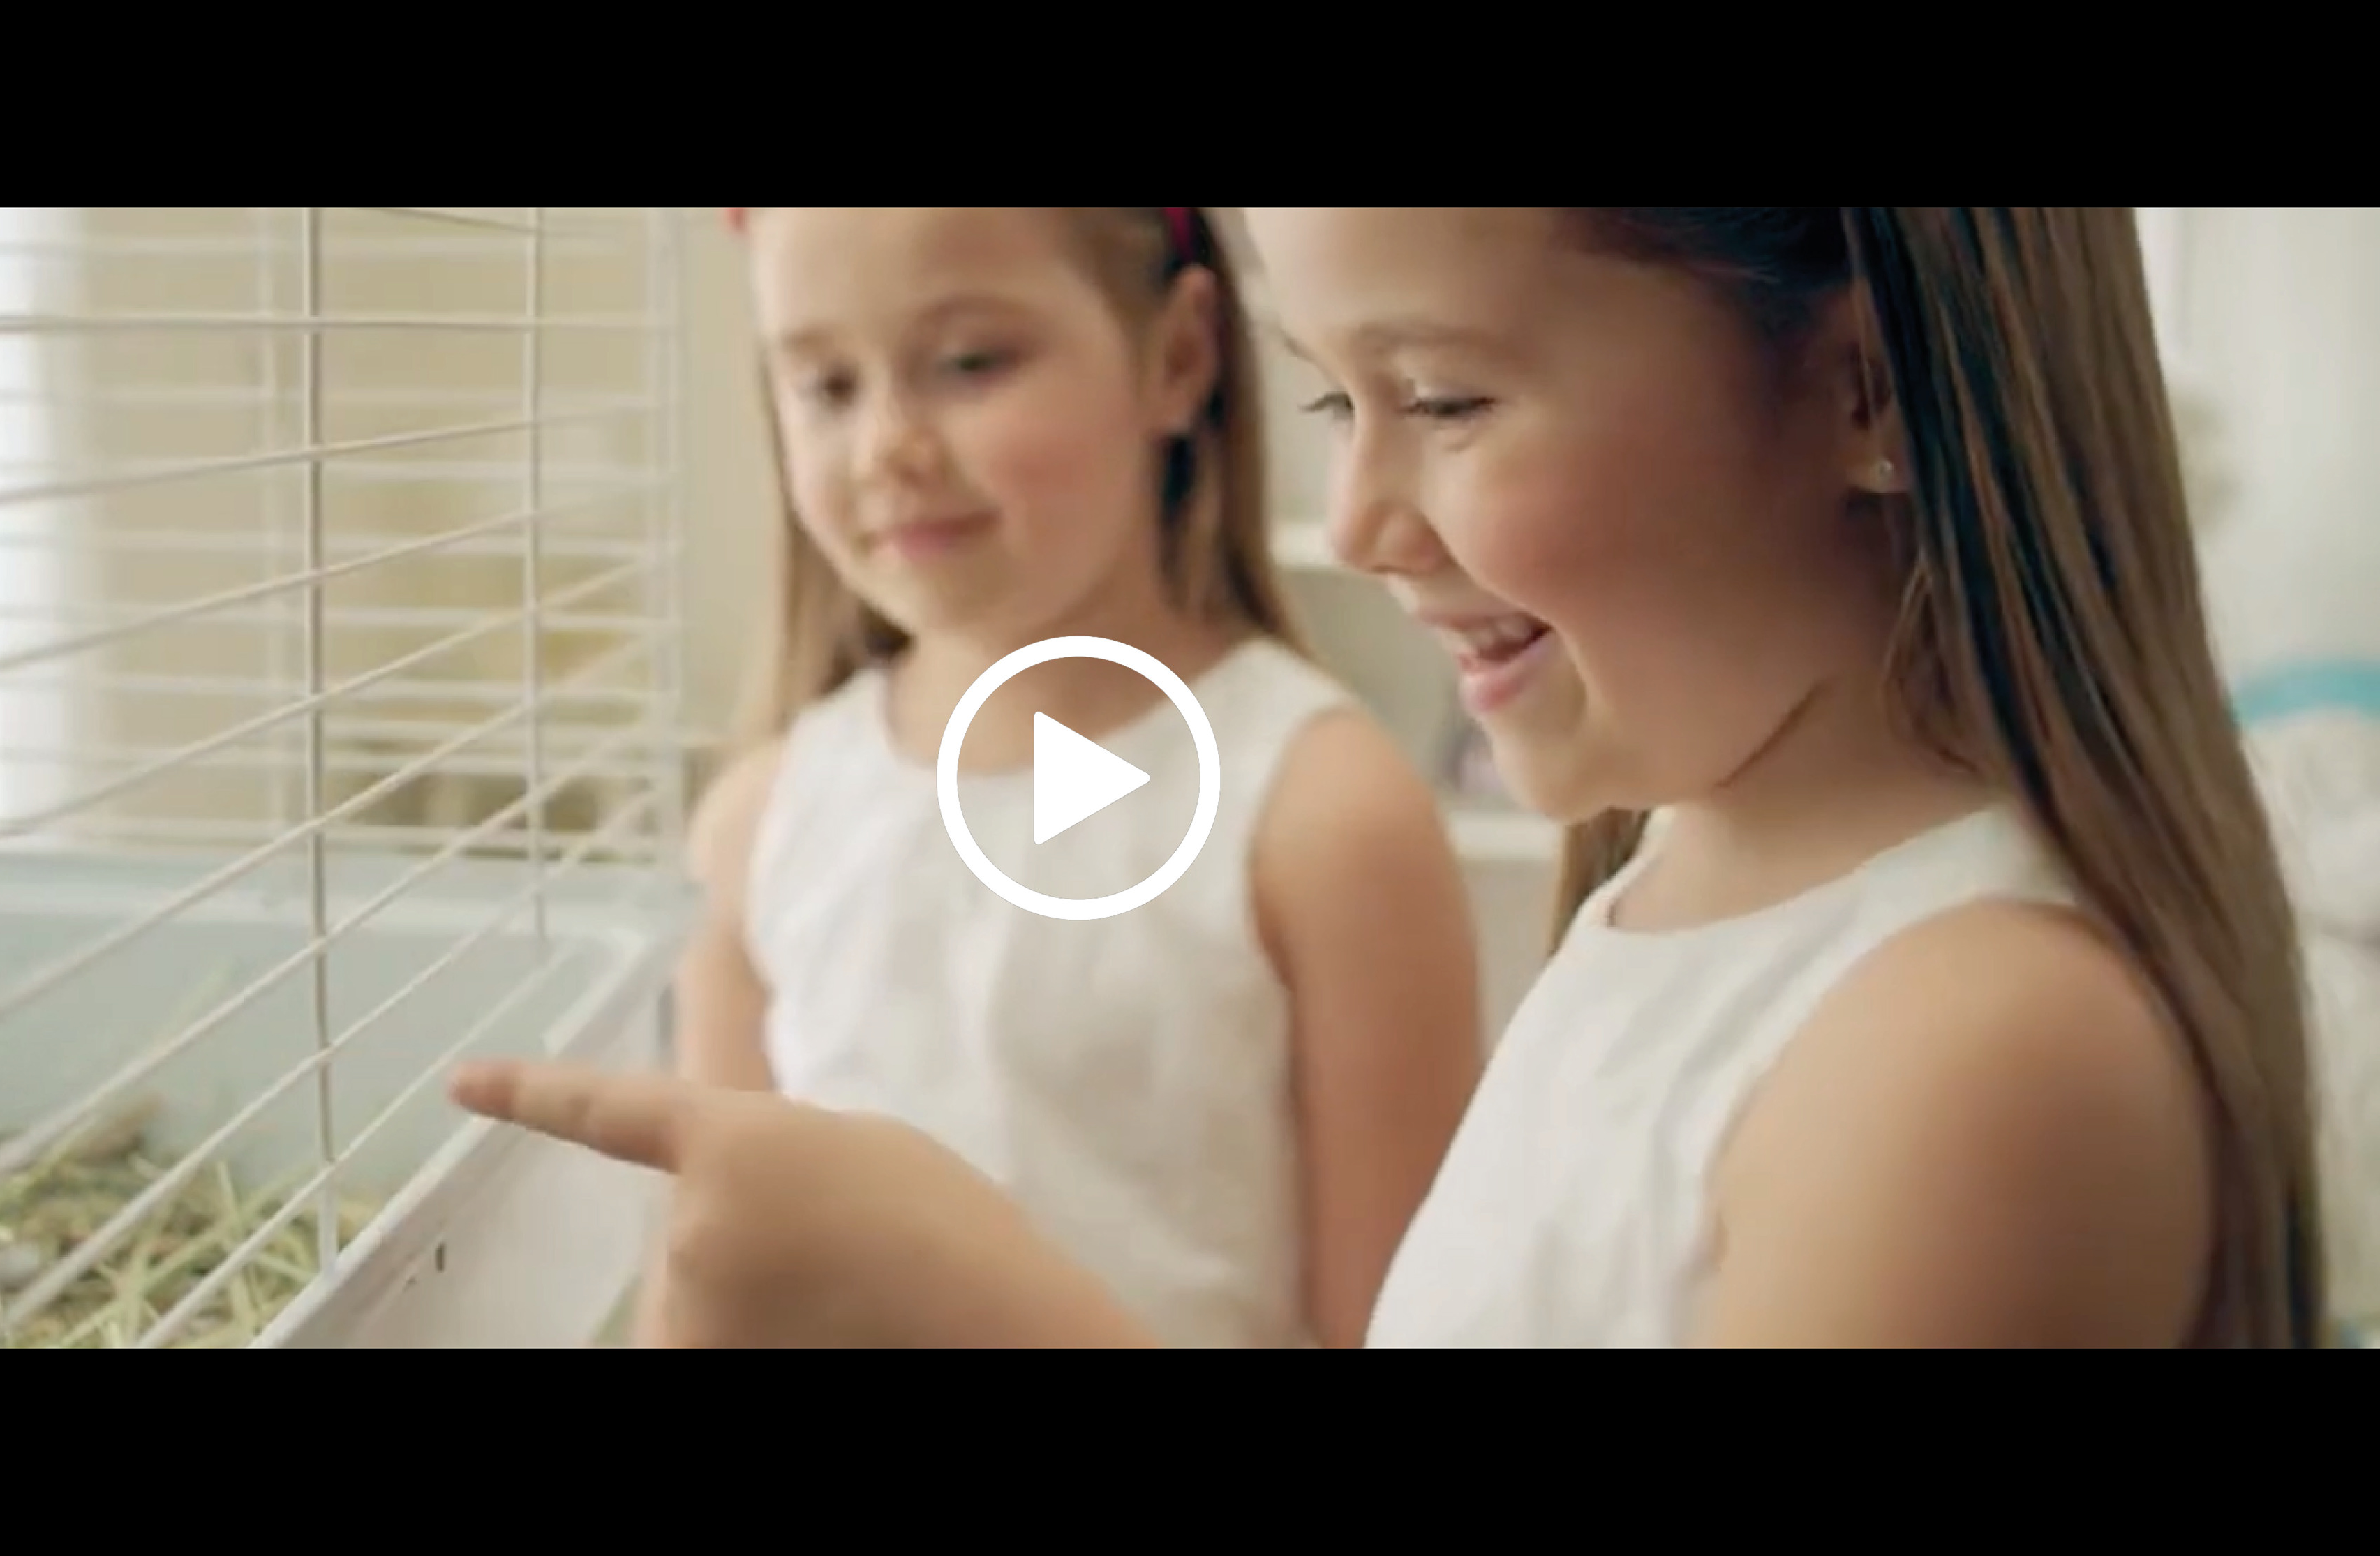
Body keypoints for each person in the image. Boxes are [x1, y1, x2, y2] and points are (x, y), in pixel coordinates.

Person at [464, 207, 2329, 1349]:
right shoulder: (1671, 883)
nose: (1356, 520)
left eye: (1440, 396)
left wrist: (990, 1303)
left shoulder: (1981, 1054)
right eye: (1333, 399)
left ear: (1865, 389)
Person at [611, 207, 1482, 1349]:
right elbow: (703, 1286)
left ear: (1178, 358)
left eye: (972, 362)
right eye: (828, 386)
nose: (887, 449)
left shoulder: (1325, 815)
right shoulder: (756, 826)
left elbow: (1399, 1327)